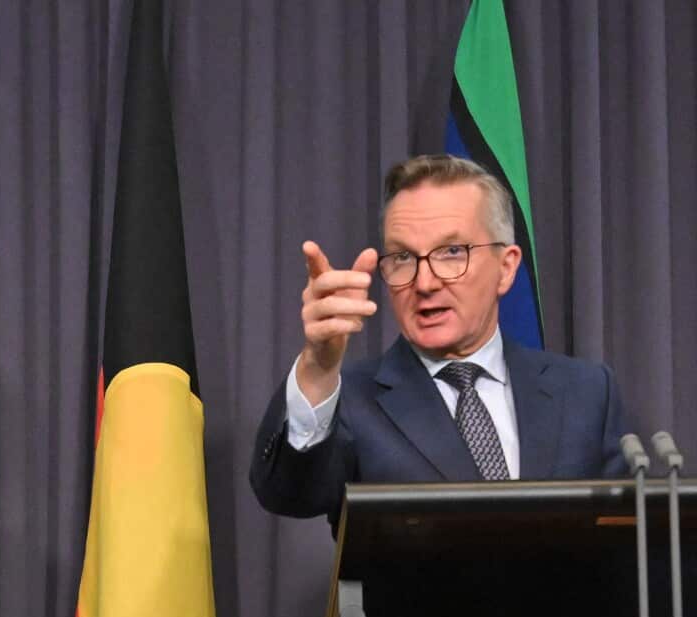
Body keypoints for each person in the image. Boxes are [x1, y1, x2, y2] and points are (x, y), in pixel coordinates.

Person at [249, 154, 626, 529]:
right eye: (402, 257)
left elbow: (628, 543)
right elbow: (290, 494)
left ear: (506, 267)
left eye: (451, 252)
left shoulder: (586, 392)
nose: (425, 283)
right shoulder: (348, 402)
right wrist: (318, 368)